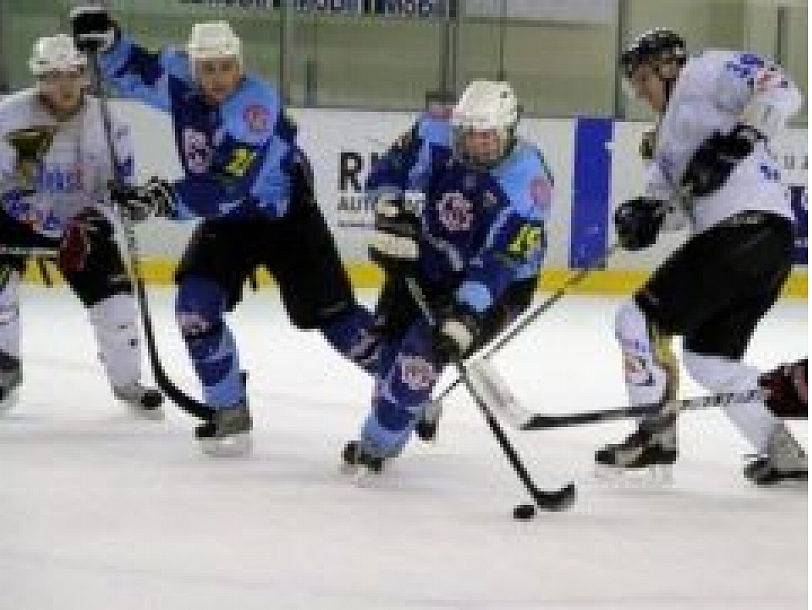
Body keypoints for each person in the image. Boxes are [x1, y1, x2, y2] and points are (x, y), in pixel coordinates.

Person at [70, 9, 378, 456]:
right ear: (193, 66)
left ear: (240, 64)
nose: (217, 78)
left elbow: (225, 188)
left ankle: (404, 388)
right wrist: (110, 42)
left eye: (226, 67)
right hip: (230, 226)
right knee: (195, 309)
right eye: (208, 68)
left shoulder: (255, 107)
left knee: (337, 320)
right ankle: (228, 408)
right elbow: (137, 71)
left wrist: (159, 199)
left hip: (286, 220)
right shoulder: (180, 76)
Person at [595, 28, 806, 485]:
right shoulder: (663, 140)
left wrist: (739, 140)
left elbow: (783, 88)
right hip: (761, 246)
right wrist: (645, 217)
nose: (639, 92)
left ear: (668, 66)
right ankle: (783, 452)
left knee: (637, 318)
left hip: (745, 231)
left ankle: (655, 437)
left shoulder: (704, 72)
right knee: (710, 360)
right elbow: (672, 208)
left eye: (642, 78)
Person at [342, 80, 552, 472]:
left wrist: (466, 313)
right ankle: (413, 406)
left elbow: (500, 261)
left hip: (499, 285)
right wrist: (389, 209)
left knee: (423, 353)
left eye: (488, 136)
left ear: (509, 130)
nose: (478, 144)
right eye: (470, 134)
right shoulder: (433, 130)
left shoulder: (529, 184)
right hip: (430, 257)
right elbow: (390, 168)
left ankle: (375, 445)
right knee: (390, 350)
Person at [0, 34, 163, 418]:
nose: (65, 84)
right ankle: (3, 370)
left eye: (73, 74)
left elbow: (120, 189)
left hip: (84, 223)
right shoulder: (10, 116)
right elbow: (2, 182)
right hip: (19, 217)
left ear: (84, 75)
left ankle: (127, 382)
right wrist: (37, 217)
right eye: (54, 76)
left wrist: (97, 219)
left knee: (117, 305)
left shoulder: (109, 123)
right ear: (40, 78)